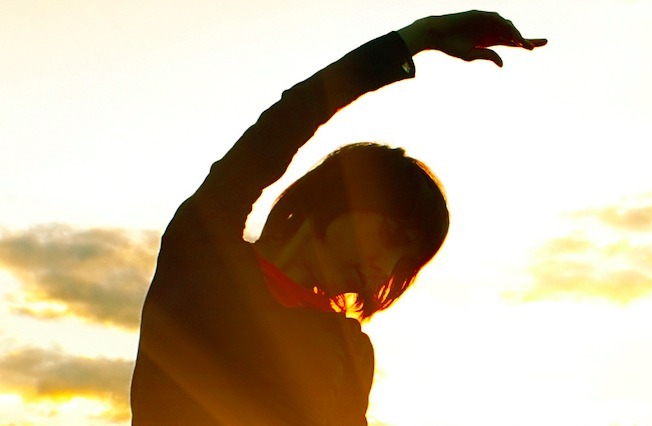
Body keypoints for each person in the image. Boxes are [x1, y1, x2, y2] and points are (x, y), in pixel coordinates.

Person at [129, 10, 546, 424]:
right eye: (390, 236)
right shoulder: (202, 257)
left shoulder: (350, 349)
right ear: (342, 196)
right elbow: (287, 122)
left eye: (403, 262)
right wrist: (416, 38)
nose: (385, 268)